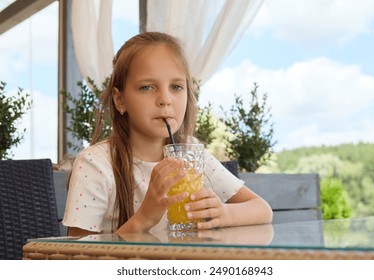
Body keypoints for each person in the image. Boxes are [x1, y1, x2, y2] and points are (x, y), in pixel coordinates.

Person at [62, 31, 273, 236]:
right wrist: (145, 218)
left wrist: (223, 213)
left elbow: (262, 209)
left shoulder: (190, 153)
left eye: (176, 87)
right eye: (147, 87)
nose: (165, 99)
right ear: (120, 100)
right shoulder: (95, 164)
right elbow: (78, 257)